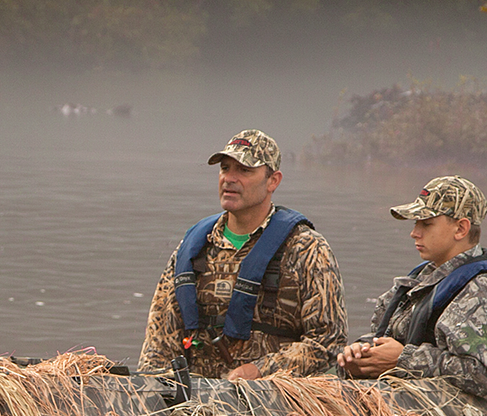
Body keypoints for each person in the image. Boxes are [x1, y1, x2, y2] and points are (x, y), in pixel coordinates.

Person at [137, 128, 344, 381]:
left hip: (276, 404)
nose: (229, 179)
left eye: (244, 170)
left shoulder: (307, 249)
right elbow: (158, 346)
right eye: (225, 168)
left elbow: (327, 343)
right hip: (195, 404)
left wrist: (259, 371)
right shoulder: (192, 249)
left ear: (273, 181)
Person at [336, 175, 487, 404]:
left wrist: (404, 359)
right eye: (416, 224)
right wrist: (361, 353)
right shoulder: (422, 278)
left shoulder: (483, 290)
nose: (414, 233)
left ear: (461, 228)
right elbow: (390, 338)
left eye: (426, 224)